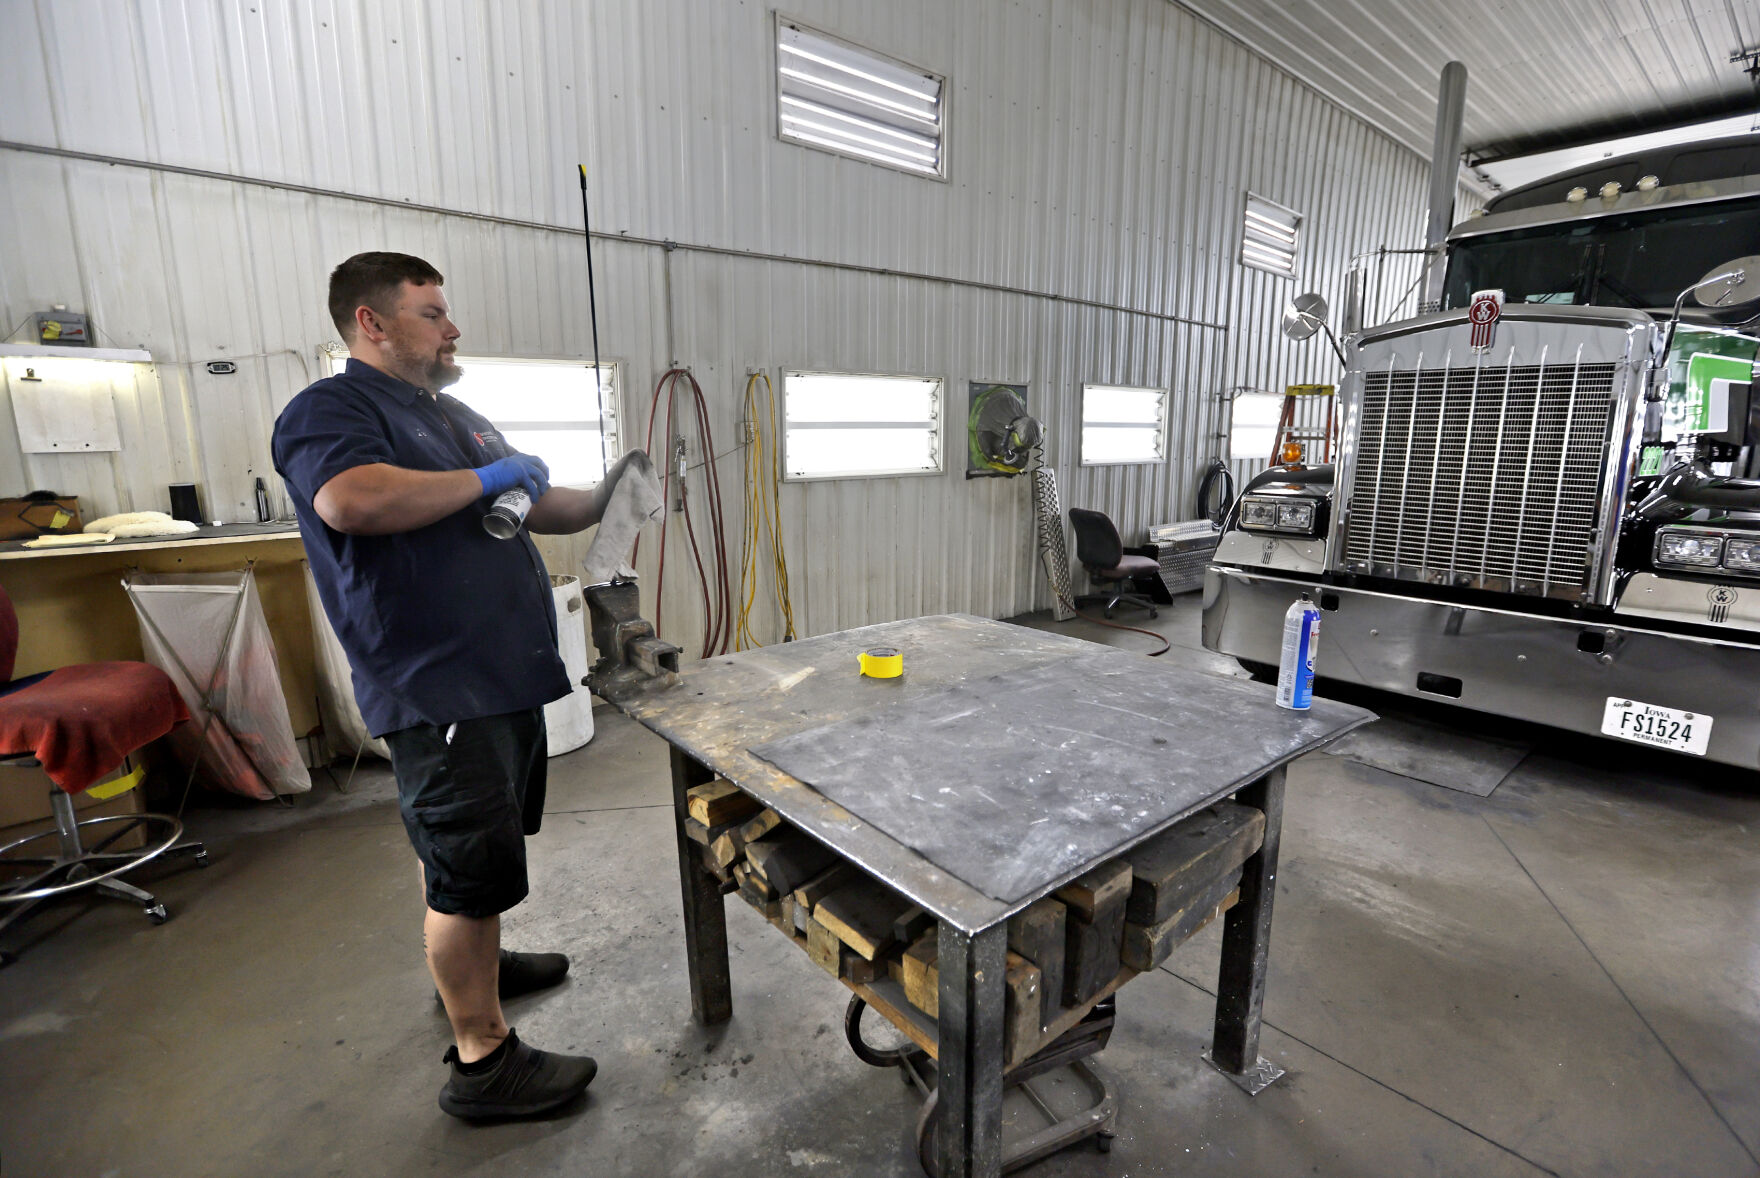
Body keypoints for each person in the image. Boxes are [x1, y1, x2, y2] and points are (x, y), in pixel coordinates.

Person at [272, 251, 639, 1121]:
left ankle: (479, 962)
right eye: (433, 312)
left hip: (497, 676)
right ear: (372, 322)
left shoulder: (456, 415)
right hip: (435, 682)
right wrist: (491, 478)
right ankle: (483, 1060)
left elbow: (534, 501)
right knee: (464, 862)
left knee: (480, 847)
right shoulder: (332, 410)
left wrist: (603, 498)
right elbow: (352, 501)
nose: (452, 327)